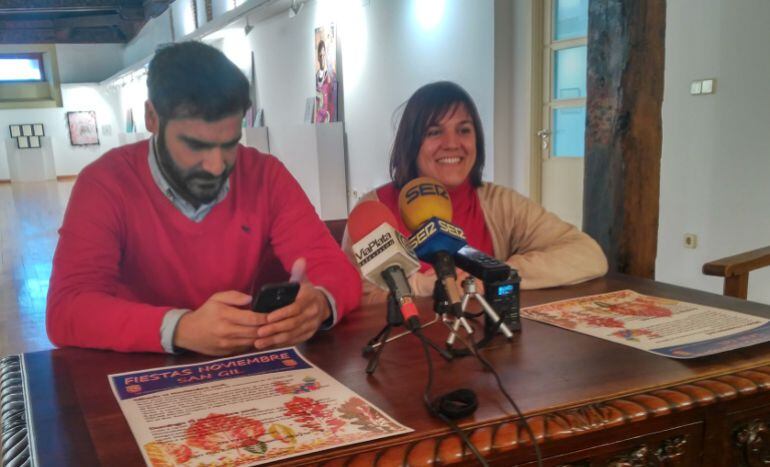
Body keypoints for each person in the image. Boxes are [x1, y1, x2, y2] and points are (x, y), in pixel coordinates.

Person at [46, 41, 361, 355]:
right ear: (152, 118)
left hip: (240, 366)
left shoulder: (264, 175)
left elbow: (337, 270)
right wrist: (181, 328)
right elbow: (68, 308)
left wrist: (319, 303)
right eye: (196, 146)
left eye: (229, 144)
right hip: (135, 367)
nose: (215, 166)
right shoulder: (104, 184)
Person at [342, 81, 607, 304]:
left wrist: (494, 274)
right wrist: (423, 286)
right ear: (411, 143)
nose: (452, 143)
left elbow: (588, 255)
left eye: (464, 130)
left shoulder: (500, 203)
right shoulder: (375, 211)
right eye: (435, 132)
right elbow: (358, 298)